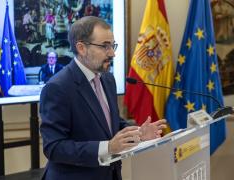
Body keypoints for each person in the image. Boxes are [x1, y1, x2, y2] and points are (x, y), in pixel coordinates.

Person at [39, 16, 167, 180]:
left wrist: (138, 133)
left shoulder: (107, 79)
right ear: (81, 48)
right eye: (105, 46)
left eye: (112, 46)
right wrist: (107, 147)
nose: (112, 53)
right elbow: (54, 147)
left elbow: (109, 123)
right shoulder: (57, 88)